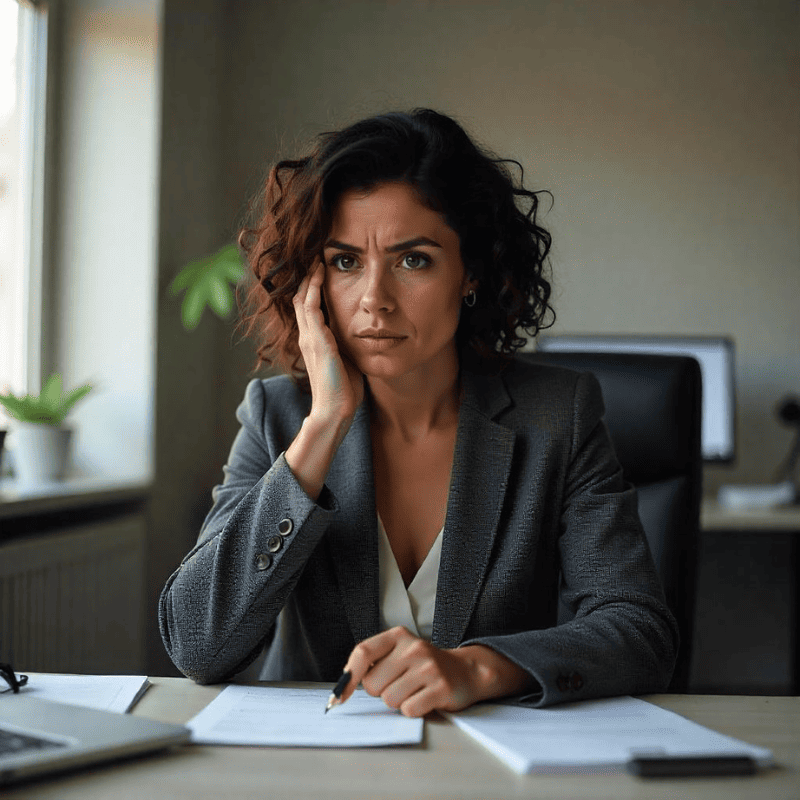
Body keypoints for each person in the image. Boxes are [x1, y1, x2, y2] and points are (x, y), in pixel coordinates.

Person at [159, 109, 678, 717]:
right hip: (312, 763)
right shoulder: (279, 417)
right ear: (312, 283)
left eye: (414, 260)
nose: (374, 300)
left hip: (492, 765)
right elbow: (196, 644)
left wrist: (478, 667)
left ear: (472, 273)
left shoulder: (556, 416)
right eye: (345, 261)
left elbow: (640, 629)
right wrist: (324, 425)